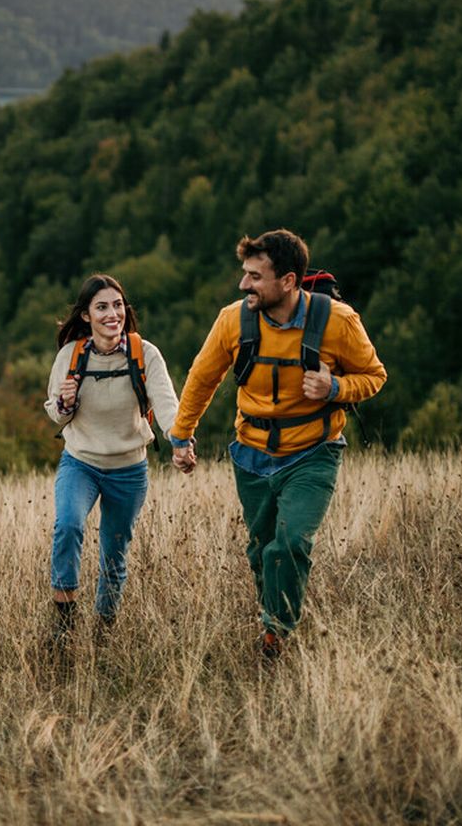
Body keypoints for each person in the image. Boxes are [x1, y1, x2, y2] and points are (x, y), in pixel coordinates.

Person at [169, 229, 386, 660]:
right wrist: (181, 435)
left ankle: (275, 634)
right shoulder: (233, 320)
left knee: (289, 544)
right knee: (261, 549)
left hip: (312, 452)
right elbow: (202, 376)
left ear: (288, 281)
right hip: (250, 454)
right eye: (244, 274)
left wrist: (335, 387)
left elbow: (375, 376)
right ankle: (275, 613)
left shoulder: (338, 322)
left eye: (254, 276)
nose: (243, 284)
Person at [44, 274, 179, 643]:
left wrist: (180, 439)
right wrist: (65, 403)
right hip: (81, 462)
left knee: (114, 553)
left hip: (128, 468)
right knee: (68, 525)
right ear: (86, 316)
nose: (112, 313)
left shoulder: (144, 353)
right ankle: (65, 623)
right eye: (101, 307)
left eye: (117, 305)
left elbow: (166, 403)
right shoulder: (71, 356)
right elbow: (56, 413)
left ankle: (104, 630)